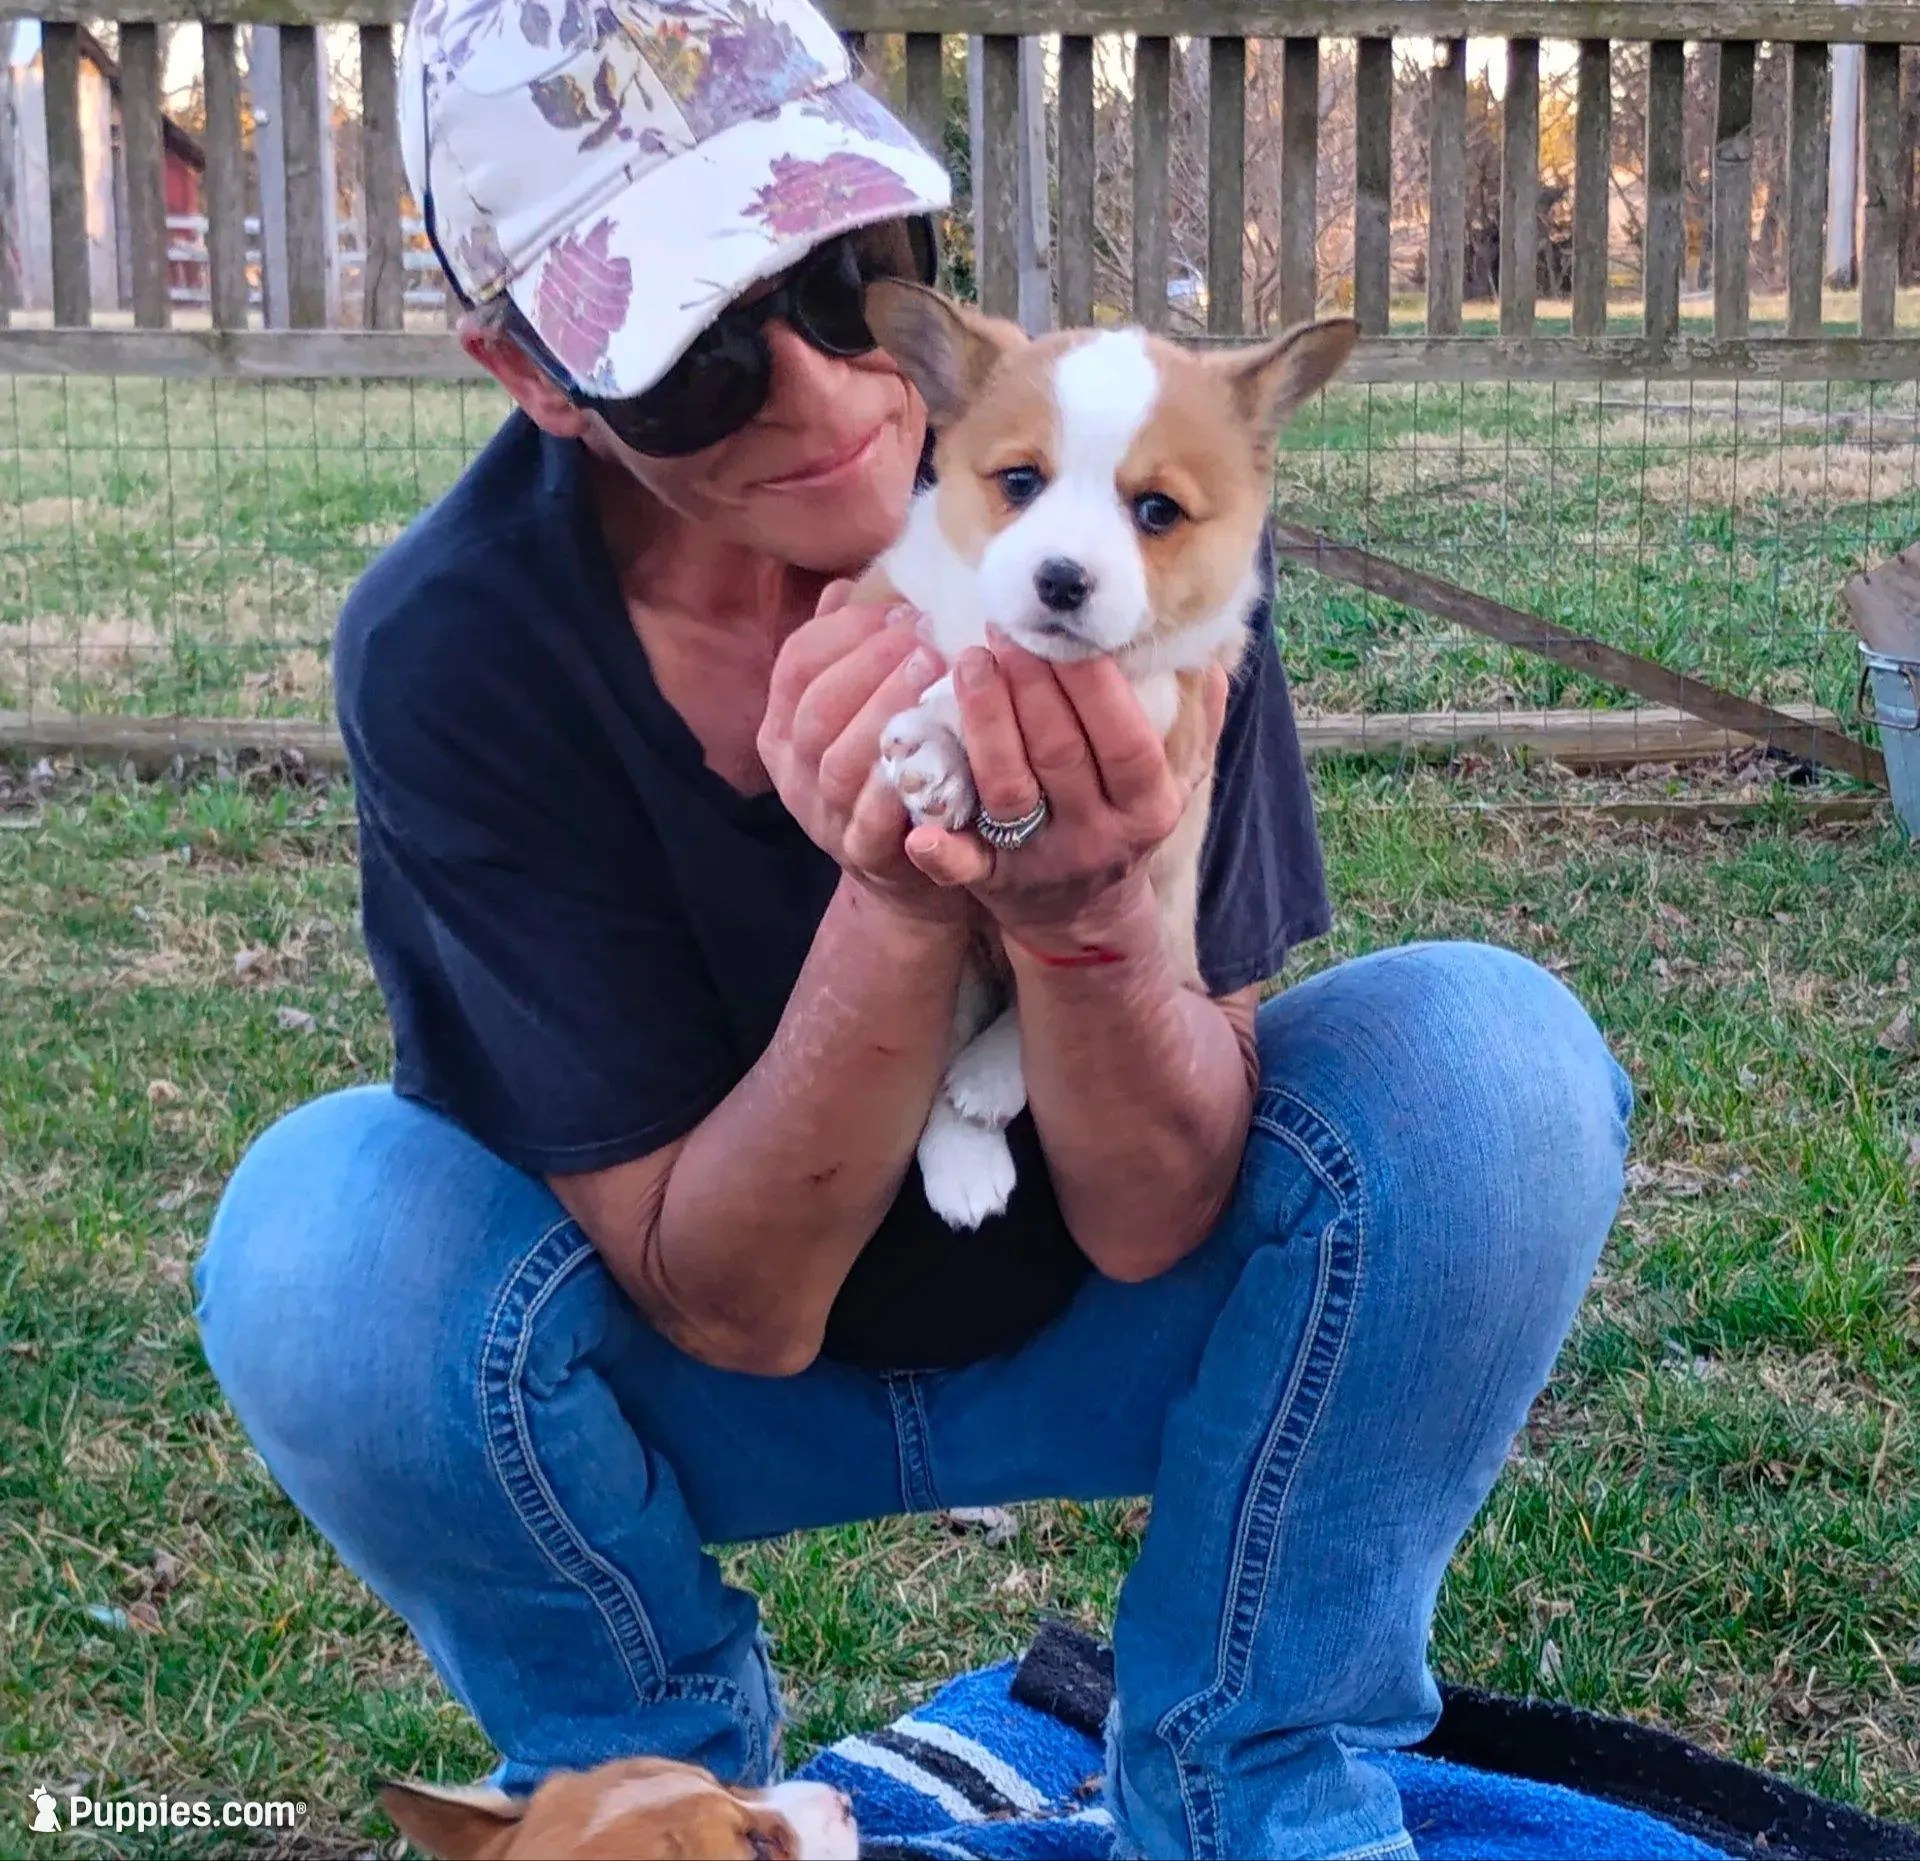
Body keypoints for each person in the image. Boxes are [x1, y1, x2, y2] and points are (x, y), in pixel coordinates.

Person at [193, 3, 1632, 1855]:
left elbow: (1157, 1209)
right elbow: (737, 1302)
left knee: (1486, 1072)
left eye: (856, 275)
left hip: (1124, 1315)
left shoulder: (1127, 551)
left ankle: (1252, 1779)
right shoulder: (463, 645)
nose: (827, 389)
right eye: (691, 358)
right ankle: (645, 1802)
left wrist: (1093, 910)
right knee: (326, 1245)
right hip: (704, 1375)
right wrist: (893, 898)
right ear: (529, 369)